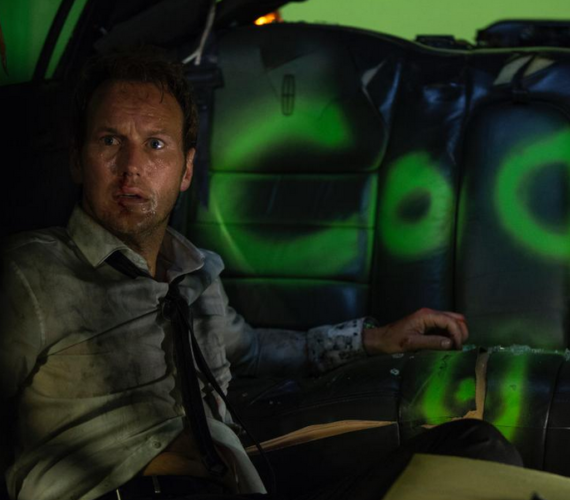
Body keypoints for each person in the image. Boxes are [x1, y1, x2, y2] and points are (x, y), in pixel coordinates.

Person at [0, 49, 521, 500]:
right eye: (110, 141)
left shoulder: (196, 272)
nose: (132, 166)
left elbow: (250, 350)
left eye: (156, 144)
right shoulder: (31, 273)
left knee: (475, 450)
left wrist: (372, 339)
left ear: (185, 170)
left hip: (239, 477)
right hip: (123, 488)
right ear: (78, 160)